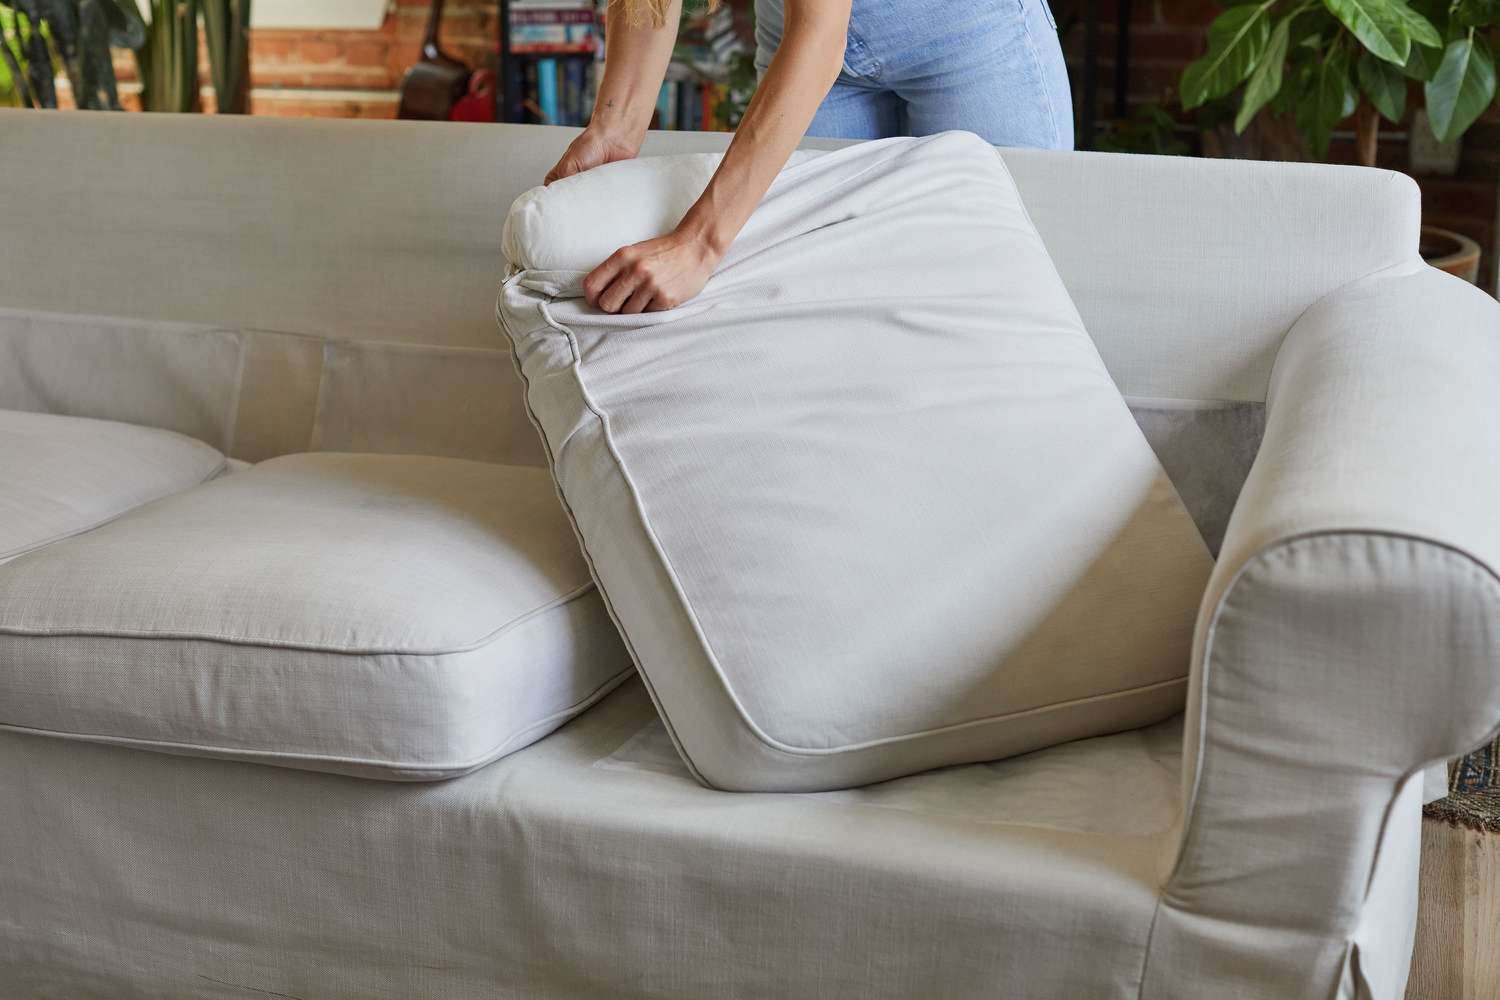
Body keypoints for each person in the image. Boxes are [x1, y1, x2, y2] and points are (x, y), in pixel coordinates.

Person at [544, 0, 1072, 314]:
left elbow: (821, 35)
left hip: (961, 31)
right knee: (816, 298)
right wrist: (614, 129)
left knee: (1006, 289)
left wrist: (699, 245)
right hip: (799, 22)